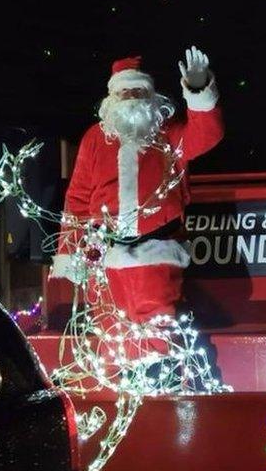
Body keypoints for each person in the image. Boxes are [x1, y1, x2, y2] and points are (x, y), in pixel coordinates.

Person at [50, 47, 223, 322]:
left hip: (155, 253)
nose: (131, 98)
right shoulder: (95, 138)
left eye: (138, 91)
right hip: (103, 254)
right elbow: (78, 198)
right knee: (109, 333)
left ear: (151, 96)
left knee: (157, 332)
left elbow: (206, 135)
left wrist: (199, 89)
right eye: (124, 92)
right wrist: (69, 250)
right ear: (112, 98)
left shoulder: (167, 134)